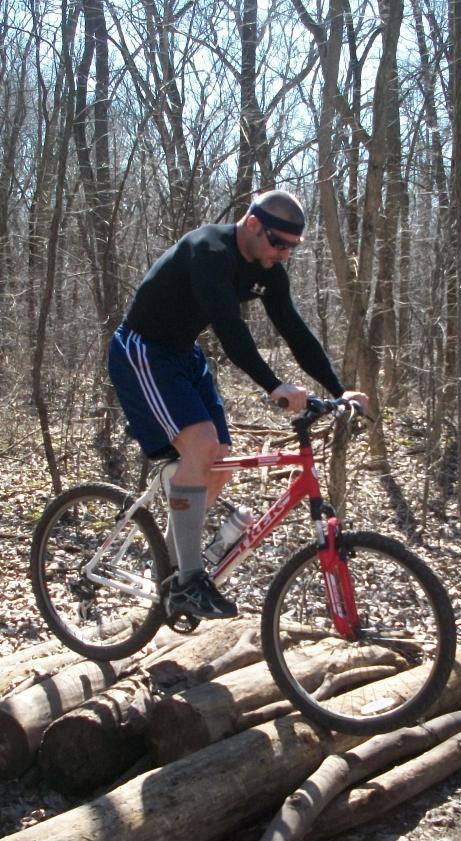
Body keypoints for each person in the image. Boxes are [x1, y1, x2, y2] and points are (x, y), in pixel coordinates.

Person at [108, 189, 369, 621]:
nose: (284, 254)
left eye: (292, 247)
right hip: (143, 350)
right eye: (278, 243)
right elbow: (231, 333)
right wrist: (273, 386)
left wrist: (338, 389)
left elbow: (295, 331)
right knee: (202, 446)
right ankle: (189, 583)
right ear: (252, 224)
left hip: (184, 355)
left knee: (219, 460)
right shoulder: (209, 250)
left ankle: (175, 574)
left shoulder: (268, 269)